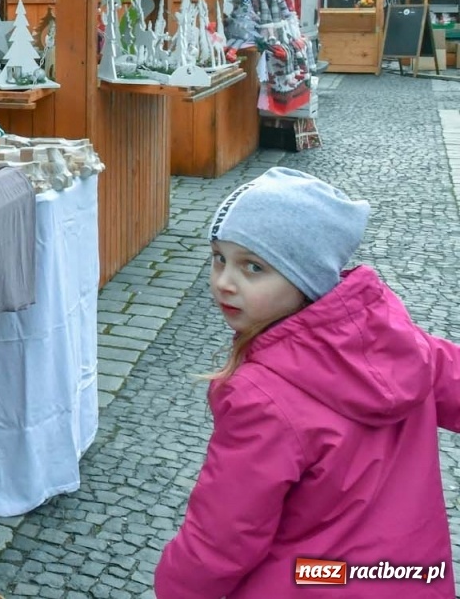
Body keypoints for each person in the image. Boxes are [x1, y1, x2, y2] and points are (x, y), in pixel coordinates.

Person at [155, 168, 460, 598]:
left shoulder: (262, 398)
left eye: (253, 267)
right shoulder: (405, 346)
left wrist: (177, 590)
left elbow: (224, 534)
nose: (224, 281)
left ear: (306, 279)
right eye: (219, 257)